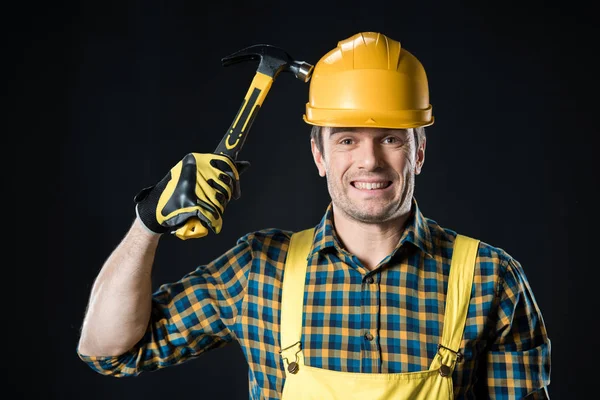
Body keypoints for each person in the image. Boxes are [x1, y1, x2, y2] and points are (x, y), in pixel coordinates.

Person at [77, 31, 551, 399]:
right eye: (347, 139)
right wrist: (148, 224)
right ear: (319, 154)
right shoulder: (260, 270)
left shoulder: (491, 278)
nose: (369, 161)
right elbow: (107, 350)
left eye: (391, 138)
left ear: (419, 151)